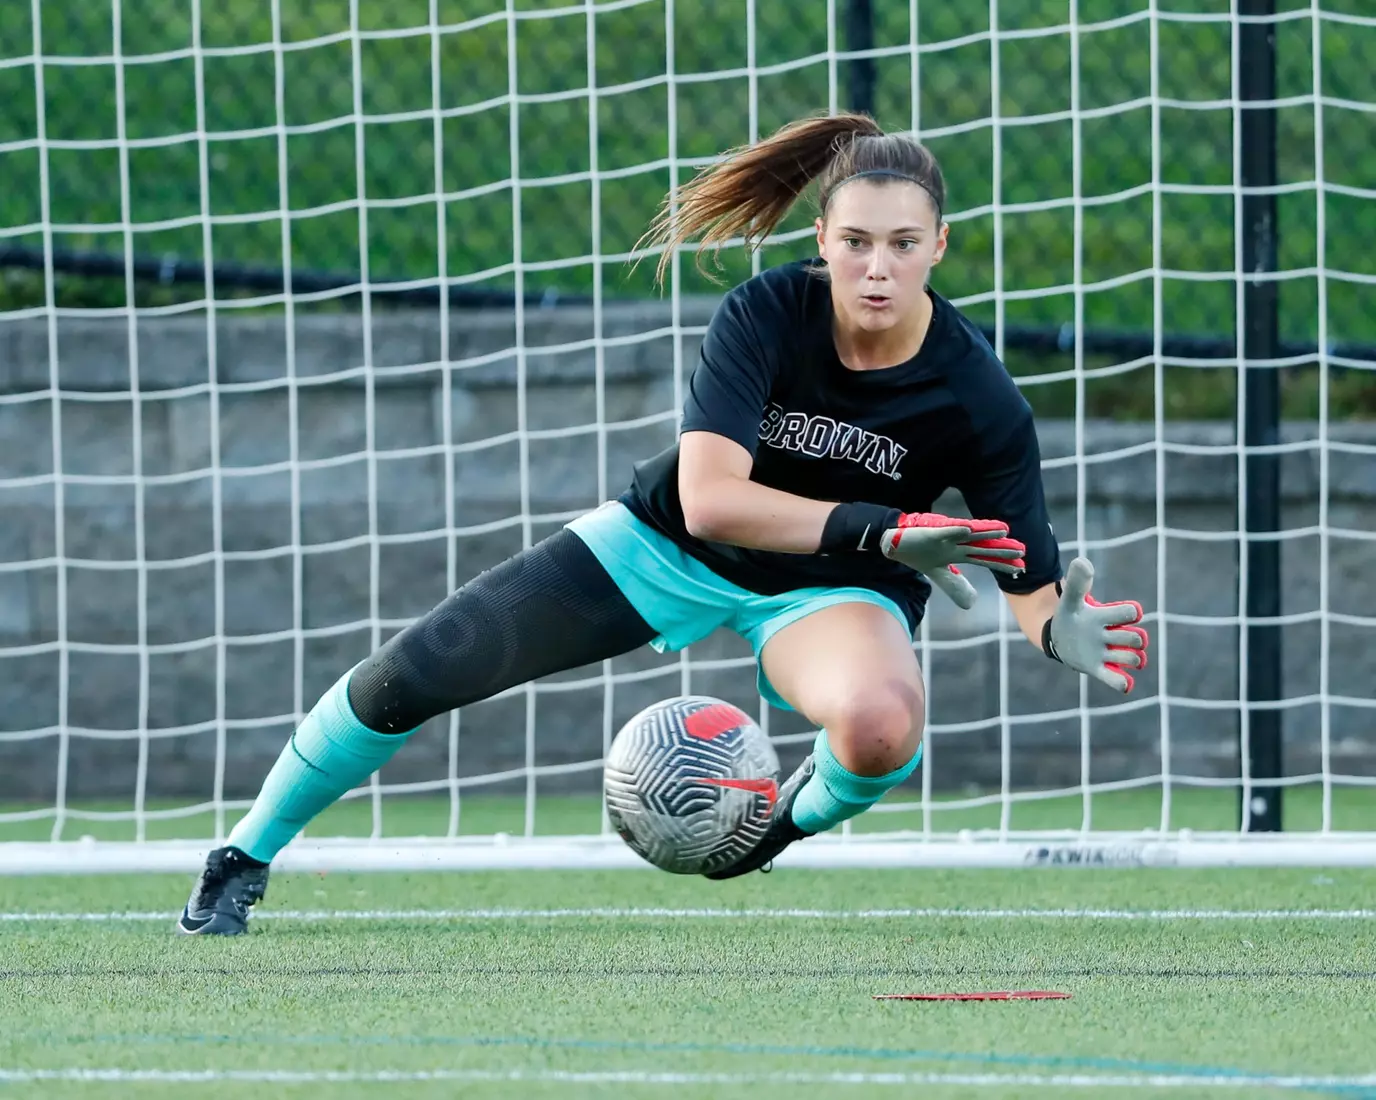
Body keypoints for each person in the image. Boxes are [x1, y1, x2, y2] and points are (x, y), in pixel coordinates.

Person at [177, 112, 1148, 935]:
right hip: (669, 548)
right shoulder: (763, 314)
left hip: (829, 592)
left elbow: (1031, 583)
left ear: (938, 246)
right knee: (412, 672)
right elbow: (709, 500)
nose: (876, 267)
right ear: (821, 239)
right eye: (854, 241)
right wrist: (880, 530)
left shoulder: (979, 399)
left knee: (882, 723)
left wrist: (1057, 629)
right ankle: (243, 853)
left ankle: (770, 829)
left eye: (901, 243)